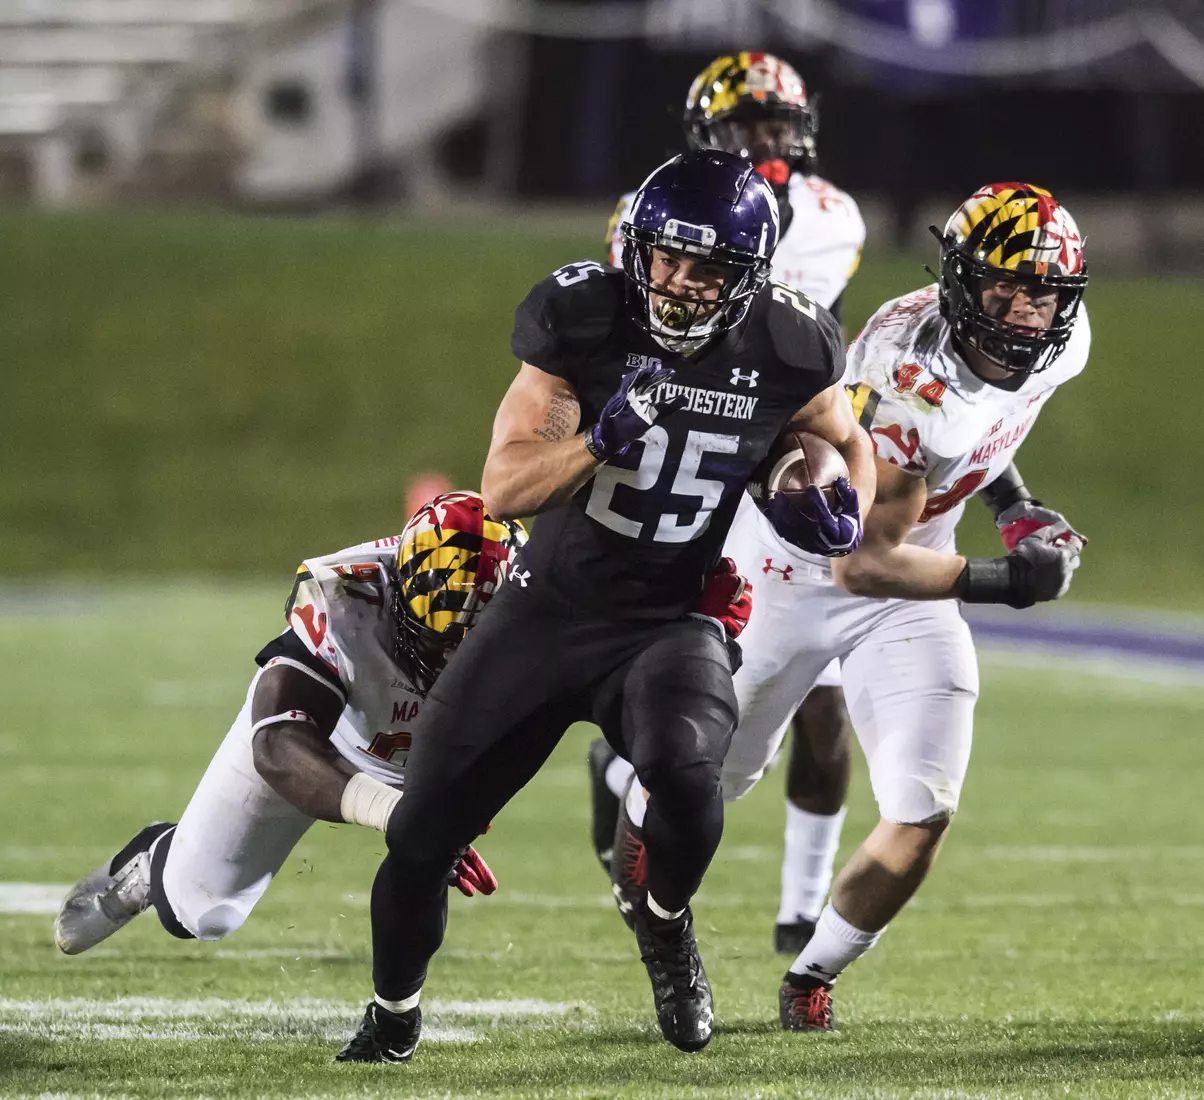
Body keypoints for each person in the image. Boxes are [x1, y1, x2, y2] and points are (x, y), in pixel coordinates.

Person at [349, 148, 875, 1058]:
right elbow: (505, 486)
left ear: (749, 275)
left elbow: (843, 438)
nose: (676, 282)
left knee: (689, 776)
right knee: (423, 832)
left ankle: (664, 925)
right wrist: (600, 438)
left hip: (670, 618)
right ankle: (393, 1015)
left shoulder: (791, 343)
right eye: (666, 257)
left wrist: (842, 502)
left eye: (704, 268)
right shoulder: (584, 318)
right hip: (545, 613)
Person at [718, 182, 1090, 1031]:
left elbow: (988, 426)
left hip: (910, 571)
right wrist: (1010, 581)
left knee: (924, 805)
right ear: (961, 282)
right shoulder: (907, 381)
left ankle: (811, 974)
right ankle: (646, 862)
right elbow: (863, 563)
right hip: (797, 570)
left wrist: (1016, 506)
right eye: (1004, 287)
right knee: (712, 781)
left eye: (1042, 292)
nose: (1025, 310)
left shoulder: (1062, 342)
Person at [53, 491, 526, 1063]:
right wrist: (397, 812)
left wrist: (456, 808)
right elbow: (278, 744)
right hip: (325, 737)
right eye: (439, 641)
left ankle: (396, 1019)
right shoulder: (344, 597)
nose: (451, 663)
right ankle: (160, 857)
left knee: (425, 857)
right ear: (400, 595)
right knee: (202, 912)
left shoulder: (541, 606)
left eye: (471, 645)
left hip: (423, 749)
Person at [593, 52, 865, 954]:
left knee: (822, 701)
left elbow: (814, 354)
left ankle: (800, 910)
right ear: (706, 132)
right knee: (709, 688)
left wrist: (823, 461)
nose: (766, 140)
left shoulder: (834, 216)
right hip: (698, 449)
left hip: (781, 452)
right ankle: (624, 770)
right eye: (747, 126)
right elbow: (643, 324)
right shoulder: (656, 207)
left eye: (778, 123)